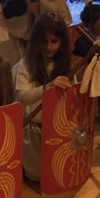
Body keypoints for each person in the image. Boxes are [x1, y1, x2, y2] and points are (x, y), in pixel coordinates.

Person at [12, 13, 72, 183]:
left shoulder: (66, 63)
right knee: (38, 176)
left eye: (54, 41)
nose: (48, 47)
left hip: (58, 127)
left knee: (61, 171)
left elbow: (72, 95)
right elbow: (22, 97)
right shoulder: (26, 64)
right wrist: (47, 88)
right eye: (43, 41)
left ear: (62, 42)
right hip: (33, 128)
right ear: (35, 41)